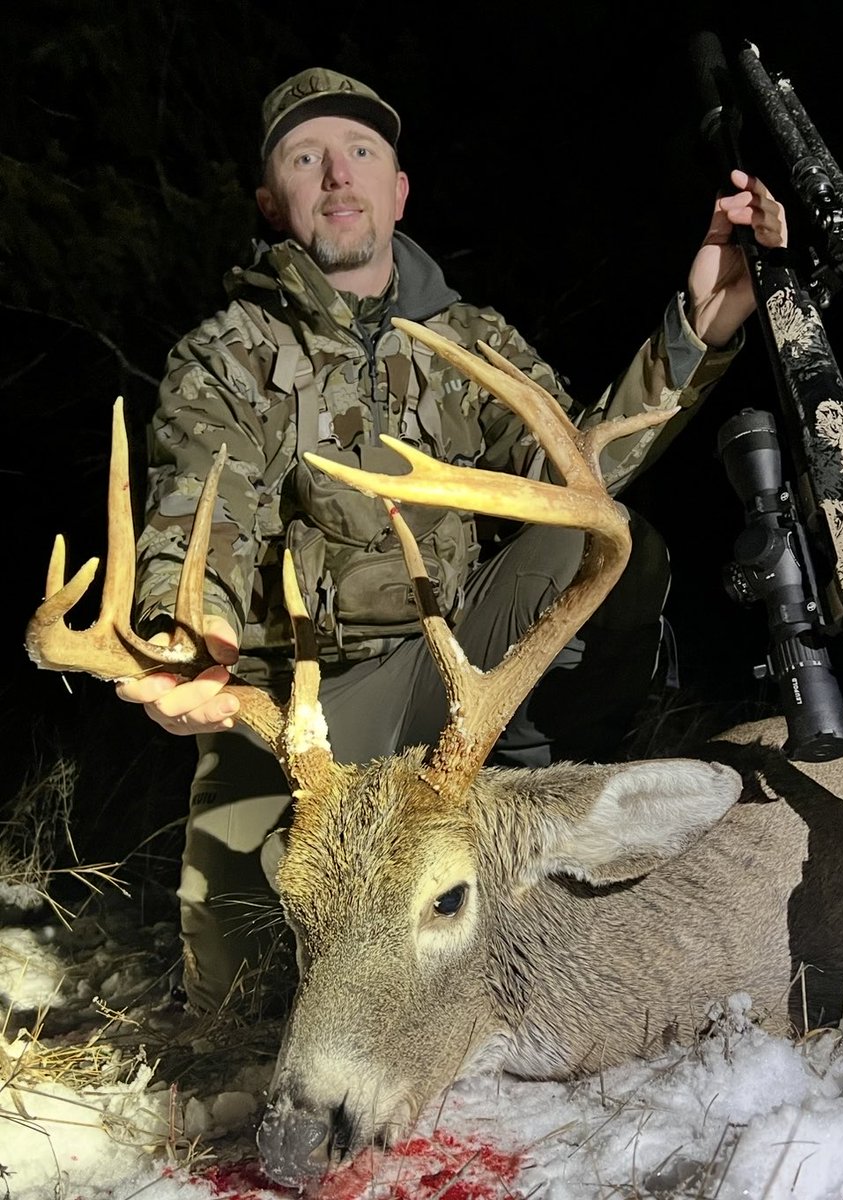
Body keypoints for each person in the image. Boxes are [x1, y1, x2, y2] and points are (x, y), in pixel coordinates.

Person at [117, 67, 788, 1013]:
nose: (337, 176)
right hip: (305, 721)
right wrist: (192, 635)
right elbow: (203, 511)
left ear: (398, 192)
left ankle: (530, 793)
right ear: (273, 202)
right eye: (306, 159)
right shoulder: (224, 355)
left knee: (601, 542)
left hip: (453, 679)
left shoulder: (470, 339)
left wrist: (695, 333)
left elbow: (577, 471)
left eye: (361, 154)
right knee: (242, 1001)